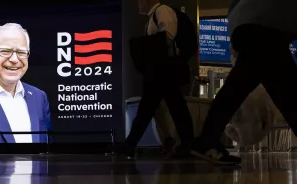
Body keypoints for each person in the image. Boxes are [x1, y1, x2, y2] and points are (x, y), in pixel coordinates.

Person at [191, 0, 297, 164]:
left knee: (238, 88)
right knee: (287, 91)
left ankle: (206, 141)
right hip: (269, 25)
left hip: (246, 23)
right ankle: (206, 141)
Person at [125, 0, 194, 158]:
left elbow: (168, 35)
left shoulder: (162, 10)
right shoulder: (153, 16)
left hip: (164, 69)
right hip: (161, 70)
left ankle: (130, 144)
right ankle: (186, 142)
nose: (138, 4)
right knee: (169, 107)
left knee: (158, 107)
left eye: (139, 1)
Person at [0, 23, 51, 143]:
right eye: (5, 51)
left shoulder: (39, 98)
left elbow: (47, 149)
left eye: (21, 52)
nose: (14, 59)